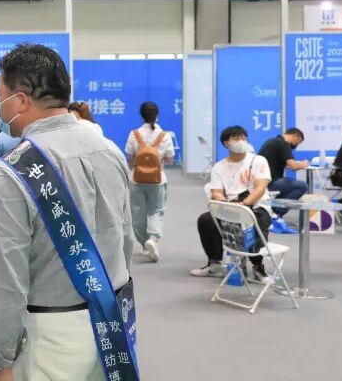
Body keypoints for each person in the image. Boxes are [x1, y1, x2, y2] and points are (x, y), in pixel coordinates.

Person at [0, 44, 136, 381]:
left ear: (20, 100)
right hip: (111, 321)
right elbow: (127, 240)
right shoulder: (110, 150)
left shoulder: (10, 172)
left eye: (0, 96)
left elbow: (6, 279)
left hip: (49, 333)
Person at [191, 125, 273, 280]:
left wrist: (244, 204)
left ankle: (258, 267)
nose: (241, 141)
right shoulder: (219, 167)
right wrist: (226, 204)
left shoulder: (258, 160)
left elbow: (260, 188)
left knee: (255, 222)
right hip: (230, 206)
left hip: (256, 206)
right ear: (226, 143)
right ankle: (214, 263)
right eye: (236, 138)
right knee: (206, 220)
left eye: (243, 138)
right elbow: (216, 192)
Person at [124, 101, 175, 263]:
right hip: (158, 180)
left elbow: (131, 159)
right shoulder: (164, 135)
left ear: (141, 115)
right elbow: (170, 159)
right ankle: (153, 239)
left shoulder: (134, 134)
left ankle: (144, 244)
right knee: (157, 210)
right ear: (157, 115)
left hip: (137, 179)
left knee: (137, 212)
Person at [258, 128, 311, 208]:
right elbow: (293, 166)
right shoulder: (284, 144)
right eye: (298, 142)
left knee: (287, 186)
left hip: (261, 182)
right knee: (302, 186)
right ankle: (278, 210)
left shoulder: (272, 141)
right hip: (271, 182)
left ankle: (274, 207)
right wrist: (303, 164)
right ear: (295, 136)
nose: (296, 145)